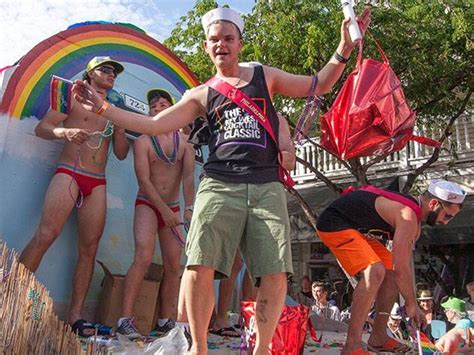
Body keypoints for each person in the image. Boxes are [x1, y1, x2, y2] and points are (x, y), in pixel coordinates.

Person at [72, 6, 371, 353]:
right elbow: (155, 125)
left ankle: (261, 348)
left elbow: (316, 84)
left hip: (266, 186)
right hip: (219, 185)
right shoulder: (201, 93)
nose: (221, 45)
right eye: (214, 40)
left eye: (228, 38)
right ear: (206, 47)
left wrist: (343, 49)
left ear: (240, 43)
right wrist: (103, 109)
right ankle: (199, 347)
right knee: (199, 265)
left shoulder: (263, 75)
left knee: (274, 273)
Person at [19, 56, 130, 336]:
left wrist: (119, 127)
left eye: (114, 72)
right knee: (46, 234)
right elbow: (41, 128)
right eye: (105, 69)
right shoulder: (70, 96)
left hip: (97, 181)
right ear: (90, 73)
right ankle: (12, 297)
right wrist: (65, 131)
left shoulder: (113, 109)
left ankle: (77, 317)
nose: (111, 74)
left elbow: (120, 153)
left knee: (89, 249)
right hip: (69, 172)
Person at [316, 180, 466, 354]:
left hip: (355, 229)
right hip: (333, 223)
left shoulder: (412, 219)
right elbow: (401, 267)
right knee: (375, 271)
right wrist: (411, 304)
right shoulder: (408, 216)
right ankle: (352, 346)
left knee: (388, 271)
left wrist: (412, 301)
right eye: (447, 216)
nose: (446, 222)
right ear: (433, 203)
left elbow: (400, 269)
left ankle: (378, 337)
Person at [116, 89, 195, 339]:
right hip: (148, 205)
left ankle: (165, 321)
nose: (158, 108)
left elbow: (188, 178)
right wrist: (164, 210)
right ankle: (124, 320)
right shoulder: (143, 141)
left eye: (163, 104)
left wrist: (189, 208)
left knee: (174, 266)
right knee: (143, 256)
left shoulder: (185, 144)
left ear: (173, 109)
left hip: (173, 208)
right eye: (153, 106)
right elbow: (144, 181)